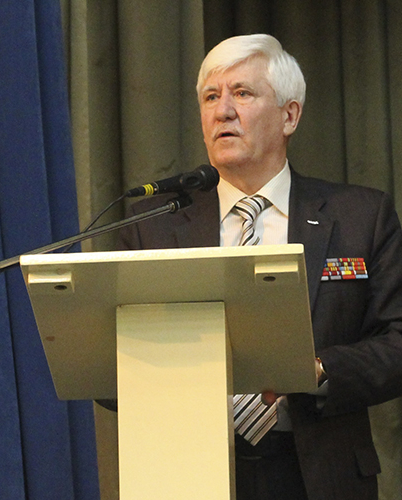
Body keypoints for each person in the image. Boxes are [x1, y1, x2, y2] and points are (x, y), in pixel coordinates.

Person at [116, 34, 402, 500]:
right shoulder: (153, 227)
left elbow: (397, 340)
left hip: (320, 474)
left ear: (290, 115)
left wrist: (317, 370)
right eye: (211, 97)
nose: (223, 111)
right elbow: (115, 367)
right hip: (189, 471)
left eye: (242, 93)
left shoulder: (360, 217)